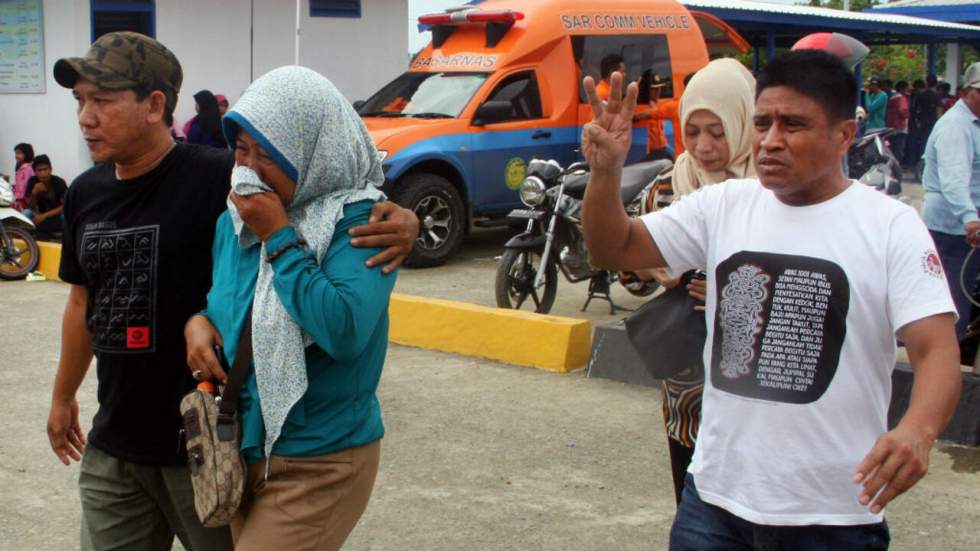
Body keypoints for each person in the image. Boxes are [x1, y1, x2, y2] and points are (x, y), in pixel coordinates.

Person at [45, 31, 418, 551]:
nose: (86, 116)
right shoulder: (90, 193)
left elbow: (327, 187)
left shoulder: (225, 181)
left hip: (207, 445)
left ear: (155, 106)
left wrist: (407, 220)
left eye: (102, 100)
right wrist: (64, 396)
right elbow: (83, 302)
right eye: (80, 101)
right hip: (134, 438)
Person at [580, 51, 961, 549]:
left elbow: (936, 350)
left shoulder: (890, 226)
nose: (770, 140)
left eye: (793, 125)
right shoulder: (722, 206)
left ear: (844, 135)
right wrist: (606, 172)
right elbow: (614, 247)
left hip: (833, 514)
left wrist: (917, 432)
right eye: (762, 122)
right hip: (714, 502)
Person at [184, 65, 393, 551]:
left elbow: (343, 330)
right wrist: (198, 323)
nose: (250, 169)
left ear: (310, 150)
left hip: (320, 459)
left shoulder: (360, 221)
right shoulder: (234, 222)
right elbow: (228, 308)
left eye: (269, 154)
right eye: (241, 150)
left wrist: (279, 236)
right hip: (245, 448)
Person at [642, 58, 756, 506]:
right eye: (693, 131)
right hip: (688, 385)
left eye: (718, 131)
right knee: (693, 501)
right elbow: (629, 257)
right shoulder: (670, 183)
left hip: (757, 384)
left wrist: (733, 295)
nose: (703, 146)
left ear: (745, 122)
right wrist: (653, 267)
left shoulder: (773, 189)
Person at [920, 62, 980, 343]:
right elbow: (954, 180)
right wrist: (970, 218)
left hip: (965, 228)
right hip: (955, 228)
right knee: (952, 299)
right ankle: (946, 355)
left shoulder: (973, 124)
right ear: (968, 92)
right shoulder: (957, 126)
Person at [22, 154, 68, 236]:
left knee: (66, 217)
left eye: (45, 169)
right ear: (35, 172)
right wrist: (34, 193)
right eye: (39, 170)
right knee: (26, 213)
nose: (43, 173)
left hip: (55, 216)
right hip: (38, 216)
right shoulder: (32, 181)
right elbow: (30, 206)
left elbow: (65, 206)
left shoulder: (58, 182)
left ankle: (43, 231)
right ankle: (28, 236)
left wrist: (44, 216)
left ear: (50, 170)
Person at [633, 73, 675, 161]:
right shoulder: (637, 107)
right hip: (646, 154)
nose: (658, 91)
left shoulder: (658, 104)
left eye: (659, 88)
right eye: (654, 89)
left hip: (662, 149)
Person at [908, 75, 942, 166]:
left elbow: (914, 109)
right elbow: (939, 110)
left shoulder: (921, 95)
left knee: (922, 143)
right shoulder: (937, 95)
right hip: (933, 123)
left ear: (927, 83)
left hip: (922, 123)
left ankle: (919, 163)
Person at [886, 81, 911, 164]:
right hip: (901, 127)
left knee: (892, 149)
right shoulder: (901, 98)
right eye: (906, 88)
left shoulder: (892, 97)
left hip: (891, 127)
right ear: (902, 88)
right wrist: (908, 115)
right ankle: (897, 168)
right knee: (899, 149)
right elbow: (902, 111)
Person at [12, 143, 35, 210]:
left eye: (19, 153)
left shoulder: (28, 168)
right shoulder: (20, 167)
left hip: (23, 199)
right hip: (18, 197)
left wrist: (17, 197)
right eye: (16, 153)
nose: (16, 156)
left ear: (27, 154)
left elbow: (26, 185)